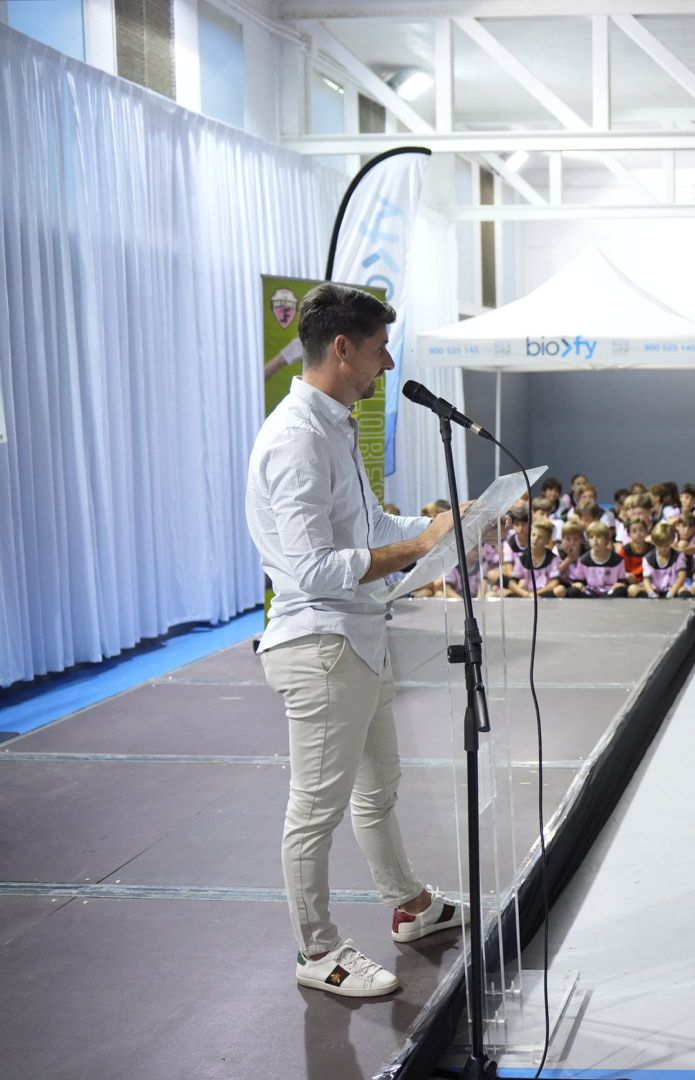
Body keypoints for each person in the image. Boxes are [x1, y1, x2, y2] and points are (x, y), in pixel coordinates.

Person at [246, 283, 465, 998]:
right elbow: (311, 568)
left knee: (378, 791)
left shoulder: (333, 423)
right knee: (316, 809)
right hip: (319, 646)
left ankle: (409, 903)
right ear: (342, 348)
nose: (388, 362)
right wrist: (413, 550)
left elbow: (368, 530)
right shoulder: (296, 438)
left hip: (357, 639)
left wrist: (438, 528)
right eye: (378, 350)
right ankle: (316, 950)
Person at [630, 521, 688, 598]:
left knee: (683, 590)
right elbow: (646, 579)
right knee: (632, 589)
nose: (663, 549)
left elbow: (682, 576)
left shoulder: (679, 556)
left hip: (673, 589)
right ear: (654, 543)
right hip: (655, 590)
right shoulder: (648, 558)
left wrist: (672, 592)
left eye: (666, 545)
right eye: (660, 545)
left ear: (671, 541)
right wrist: (651, 593)